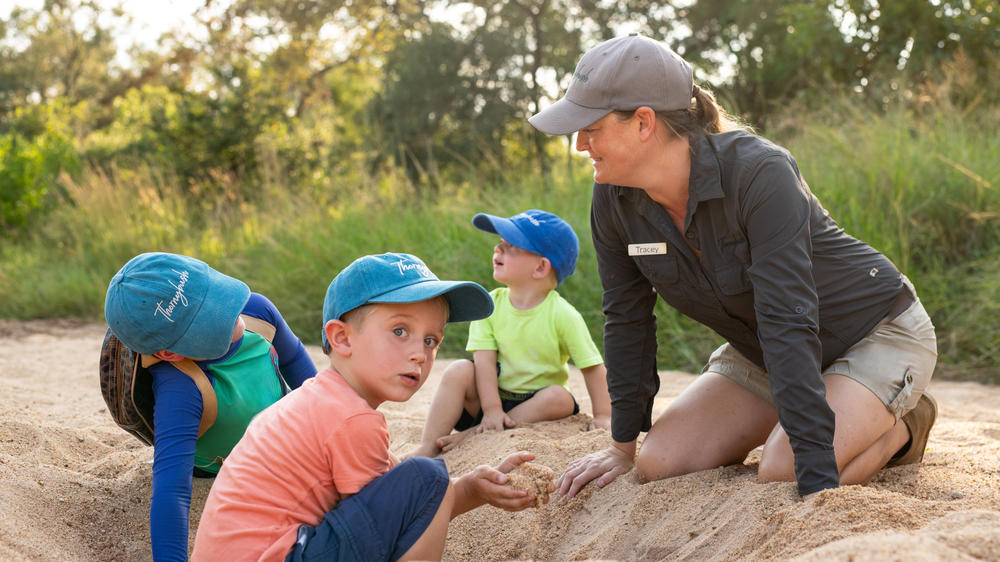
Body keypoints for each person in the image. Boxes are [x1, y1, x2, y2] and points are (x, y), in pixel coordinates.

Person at [527, 33, 939, 500]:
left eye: (591, 128)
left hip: (874, 331)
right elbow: (627, 319)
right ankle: (833, 408)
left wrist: (819, 484)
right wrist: (622, 446)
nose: (580, 144)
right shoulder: (613, 199)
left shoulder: (761, 173)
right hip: (765, 348)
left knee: (785, 467)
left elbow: (789, 319)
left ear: (643, 122)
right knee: (661, 462)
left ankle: (906, 423)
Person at [191, 252, 552, 561]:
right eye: (399, 331)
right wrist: (447, 485)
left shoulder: (323, 401)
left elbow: (404, 508)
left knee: (425, 481)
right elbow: (410, 506)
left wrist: (473, 489)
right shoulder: (350, 419)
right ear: (342, 338)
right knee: (429, 475)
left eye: (431, 340)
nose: (419, 354)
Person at [104, 252, 318, 561]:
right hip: (218, 465)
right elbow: (172, 492)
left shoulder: (259, 312)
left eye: (215, 292)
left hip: (279, 435)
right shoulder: (181, 387)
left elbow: (307, 377)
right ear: (168, 353)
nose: (228, 310)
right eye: (205, 318)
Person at [406, 210, 611, 458]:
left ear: (541, 267)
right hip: (487, 400)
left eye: (510, 246)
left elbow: (592, 367)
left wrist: (603, 415)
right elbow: (484, 362)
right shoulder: (490, 305)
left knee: (560, 397)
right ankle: (429, 444)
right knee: (459, 369)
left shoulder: (563, 315)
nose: (497, 249)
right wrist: (491, 408)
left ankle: (476, 434)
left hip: (534, 407)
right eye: (500, 243)